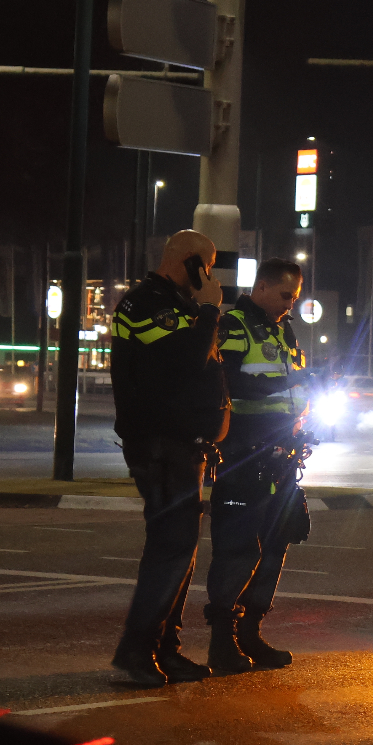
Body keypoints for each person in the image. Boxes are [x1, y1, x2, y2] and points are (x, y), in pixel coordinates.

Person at [109, 229, 229, 687]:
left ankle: (164, 648)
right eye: (208, 264)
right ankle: (137, 652)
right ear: (192, 261)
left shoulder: (181, 306)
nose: (211, 275)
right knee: (170, 548)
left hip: (185, 445)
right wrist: (210, 310)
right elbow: (181, 364)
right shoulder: (144, 304)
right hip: (160, 444)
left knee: (180, 551)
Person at [205, 257, 311, 672]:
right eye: (285, 295)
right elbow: (230, 379)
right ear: (261, 287)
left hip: (282, 451)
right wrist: (294, 382)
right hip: (244, 451)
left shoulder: (283, 329)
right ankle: (222, 641)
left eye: (295, 297)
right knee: (238, 548)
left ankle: (250, 632)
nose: (290, 304)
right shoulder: (234, 325)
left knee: (276, 543)